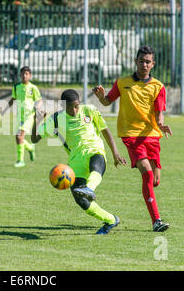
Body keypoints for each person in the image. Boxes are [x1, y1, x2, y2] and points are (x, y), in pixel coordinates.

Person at [92, 45, 172, 232]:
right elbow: (107, 101)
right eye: (141, 61)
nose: (144, 64)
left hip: (151, 135)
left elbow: (160, 113)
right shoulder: (122, 82)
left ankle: (149, 194)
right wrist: (101, 96)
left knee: (155, 181)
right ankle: (156, 221)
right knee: (147, 173)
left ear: (153, 64)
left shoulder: (158, 86)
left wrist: (161, 125)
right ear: (136, 62)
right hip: (131, 135)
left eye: (148, 62)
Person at [32, 89, 127, 235]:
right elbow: (35, 139)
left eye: (77, 106)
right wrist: (37, 121)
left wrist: (115, 153)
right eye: (70, 108)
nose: (75, 110)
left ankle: (90, 189)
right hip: (75, 161)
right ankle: (111, 219)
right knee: (81, 201)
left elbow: (105, 130)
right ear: (63, 106)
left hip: (94, 149)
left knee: (95, 166)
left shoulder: (89, 110)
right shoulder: (56, 119)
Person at [4, 66, 42, 168]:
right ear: (20, 75)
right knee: (18, 138)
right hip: (19, 116)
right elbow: (13, 99)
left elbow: (39, 100)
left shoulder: (33, 88)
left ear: (30, 76)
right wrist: (5, 110)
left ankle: (20, 161)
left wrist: (37, 107)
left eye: (27, 74)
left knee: (19, 136)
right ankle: (30, 148)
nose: (25, 76)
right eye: (23, 74)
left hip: (29, 116)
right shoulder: (16, 87)